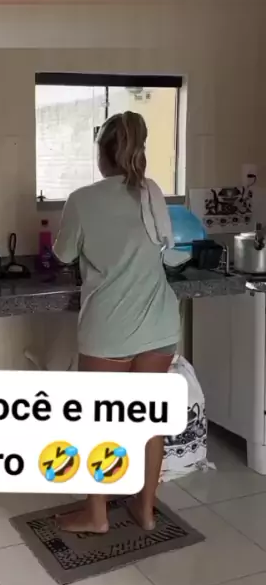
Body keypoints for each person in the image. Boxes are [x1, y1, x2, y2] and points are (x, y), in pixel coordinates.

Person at [53, 111, 180, 533]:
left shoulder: (82, 199)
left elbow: (63, 254)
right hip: (159, 323)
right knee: (150, 422)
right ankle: (146, 509)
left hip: (109, 328)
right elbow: (167, 248)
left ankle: (97, 515)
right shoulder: (152, 191)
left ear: (101, 154)